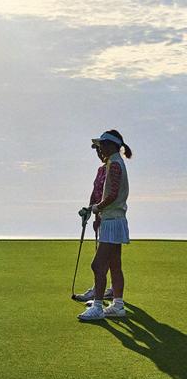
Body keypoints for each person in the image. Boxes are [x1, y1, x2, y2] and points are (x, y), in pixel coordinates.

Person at [76, 129, 132, 323]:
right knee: (114, 264)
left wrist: (96, 207)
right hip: (116, 219)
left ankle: (98, 306)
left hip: (111, 219)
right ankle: (118, 304)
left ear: (111, 145)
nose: (100, 148)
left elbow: (112, 194)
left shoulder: (115, 164)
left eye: (103, 145)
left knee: (98, 264)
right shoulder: (114, 162)